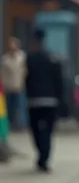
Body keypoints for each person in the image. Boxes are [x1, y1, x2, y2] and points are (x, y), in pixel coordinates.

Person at [25, 29, 64, 172]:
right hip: (50, 101)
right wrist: (60, 100)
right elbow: (59, 81)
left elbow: (25, 79)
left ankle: (42, 155)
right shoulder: (53, 58)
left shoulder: (29, 59)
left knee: (36, 130)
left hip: (34, 101)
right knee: (47, 131)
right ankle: (44, 157)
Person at [1, 37, 27, 131]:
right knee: (10, 108)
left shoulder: (22, 57)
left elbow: (25, 71)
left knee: (21, 107)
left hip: (19, 86)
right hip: (9, 87)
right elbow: (3, 74)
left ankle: (22, 125)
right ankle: (10, 124)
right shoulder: (5, 59)